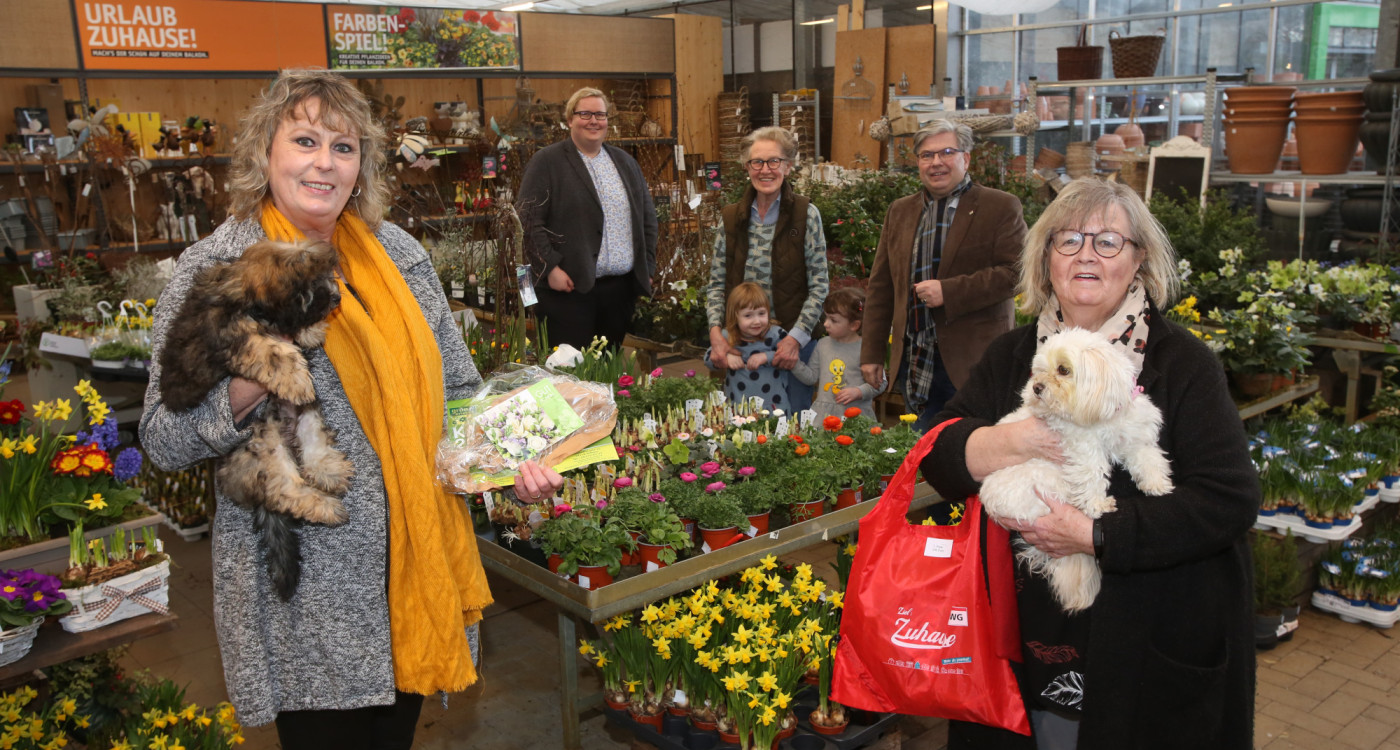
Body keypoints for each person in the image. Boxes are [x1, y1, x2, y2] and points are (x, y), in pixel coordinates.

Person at [138, 69, 563, 750]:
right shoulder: (217, 267)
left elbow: (459, 390)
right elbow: (161, 438)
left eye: (343, 147)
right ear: (264, 154)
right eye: (304, 140)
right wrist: (251, 381)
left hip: (408, 569)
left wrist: (516, 461)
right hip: (301, 589)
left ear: (362, 166)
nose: (323, 162)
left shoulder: (397, 256)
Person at [920, 178, 1258, 749]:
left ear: (1138, 260)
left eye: (1107, 242)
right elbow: (940, 454)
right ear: (1045, 256)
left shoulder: (1182, 364)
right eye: (1069, 239)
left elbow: (1229, 500)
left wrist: (1096, 533)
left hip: (1147, 643)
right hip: (1023, 640)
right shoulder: (1012, 356)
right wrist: (1021, 440)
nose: (1085, 255)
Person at [861, 120, 1025, 432]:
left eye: (947, 152)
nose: (936, 162)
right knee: (921, 454)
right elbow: (882, 287)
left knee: (972, 453)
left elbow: (1016, 273)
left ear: (966, 158)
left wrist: (949, 292)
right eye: (927, 155)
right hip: (916, 360)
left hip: (973, 362)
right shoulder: (900, 211)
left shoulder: (1000, 207)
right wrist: (871, 353)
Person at [518, 87, 658, 351]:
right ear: (570, 119)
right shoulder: (547, 162)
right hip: (568, 292)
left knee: (607, 369)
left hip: (618, 292)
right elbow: (527, 221)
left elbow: (647, 220)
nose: (593, 121)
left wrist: (646, 268)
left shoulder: (625, 163)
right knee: (570, 374)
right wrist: (550, 268)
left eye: (600, 114)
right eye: (585, 114)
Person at [706, 126, 829, 407]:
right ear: (747, 167)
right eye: (757, 162)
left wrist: (794, 340)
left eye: (774, 161)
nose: (765, 170)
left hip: (791, 348)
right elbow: (716, 284)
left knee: (793, 427)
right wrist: (716, 335)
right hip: (740, 345)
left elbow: (819, 285)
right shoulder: (730, 218)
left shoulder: (805, 215)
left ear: (787, 166)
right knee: (742, 426)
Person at [792, 286, 880, 419]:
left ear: (854, 325)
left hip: (855, 417)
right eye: (826, 318)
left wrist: (858, 392)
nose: (826, 324)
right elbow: (811, 377)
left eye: (833, 320)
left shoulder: (866, 348)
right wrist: (794, 363)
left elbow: (880, 382)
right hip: (824, 416)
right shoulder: (822, 345)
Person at [705, 281, 789, 411]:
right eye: (748, 315)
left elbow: (790, 357)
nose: (756, 321)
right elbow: (708, 360)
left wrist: (766, 357)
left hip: (773, 405)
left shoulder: (775, 334)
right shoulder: (728, 336)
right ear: (735, 316)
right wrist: (726, 357)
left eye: (761, 313)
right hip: (738, 405)